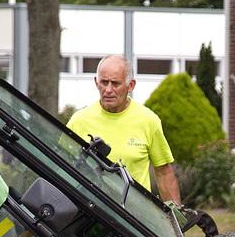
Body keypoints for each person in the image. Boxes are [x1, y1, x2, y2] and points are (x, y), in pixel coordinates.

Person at [67, 55, 181, 204]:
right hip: (90, 211)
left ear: (131, 85)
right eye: (104, 82)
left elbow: (164, 173)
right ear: (96, 82)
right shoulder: (78, 121)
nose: (108, 90)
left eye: (115, 84)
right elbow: (62, 166)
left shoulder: (148, 120)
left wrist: (175, 215)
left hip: (135, 215)